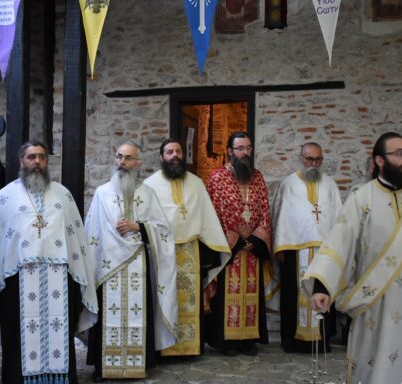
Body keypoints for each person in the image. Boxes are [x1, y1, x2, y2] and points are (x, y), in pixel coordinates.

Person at [304, 132, 402, 384]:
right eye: (399, 153)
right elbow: (339, 243)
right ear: (379, 160)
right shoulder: (361, 198)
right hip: (376, 304)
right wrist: (322, 287)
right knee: (376, 371)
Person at [0, 142, 98, 384]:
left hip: (59, 277)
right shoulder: (5, 196)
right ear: (21, 161)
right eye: (31, 157)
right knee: (18, 334)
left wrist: (79, 274)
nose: (37, 162)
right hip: (18, 280)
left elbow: (76, 237)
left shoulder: (62, 195)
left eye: (42, 157)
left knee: (60, 329)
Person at [84, 141, 177, 380]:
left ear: (138, 163)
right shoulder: (102, 193)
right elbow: (92, 231)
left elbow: (163, 230)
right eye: (119, 157)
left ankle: (138, 364)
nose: (122, 162)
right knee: (106, 316)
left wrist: (139, 227)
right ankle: (104, 367)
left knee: (139, 313)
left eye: (128, 158)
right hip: (108, 265)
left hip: (138, 264)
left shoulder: (147, 194)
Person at [143, 138, 230, 357]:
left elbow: (206, 218)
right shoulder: (149, 186)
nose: (175, 155)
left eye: (178, 151)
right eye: (169, 152)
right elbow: (145, 220)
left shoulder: (196, 183)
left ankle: (190, 348)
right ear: (161, 157)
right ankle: (164, 348)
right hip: (163, 252)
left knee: (191, 299)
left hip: (191, 251)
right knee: (165, 297)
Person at [205, 132, 272, 356]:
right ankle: (227, 342)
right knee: (227, 294)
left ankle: (248, 340)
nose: (245, 152)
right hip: (229, 248)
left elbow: (265, 210)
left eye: (248, 148)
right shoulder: (217, 178)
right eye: (240, 148)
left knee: (251, 293)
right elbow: (213, 214)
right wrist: (235, 239)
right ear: (230, 151)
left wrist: (255, 240)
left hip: (252, 248)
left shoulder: (257, 177)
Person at [271, 142, 342, 353]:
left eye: (318, 159)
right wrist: (280, 247)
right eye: (309, 159)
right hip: (294, 250)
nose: (313, 163)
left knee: (322, 291)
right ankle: (292, 341)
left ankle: (321, 341)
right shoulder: (288, 184)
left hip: (324, 251)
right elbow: (280, 217)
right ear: (301, 158)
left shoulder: (330, 185)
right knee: (292, 296)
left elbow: (338, 217)